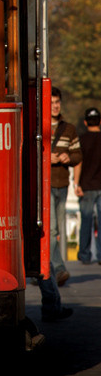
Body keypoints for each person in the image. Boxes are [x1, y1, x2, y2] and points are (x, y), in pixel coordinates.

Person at [50, 87, 82, 286]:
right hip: (45, 186)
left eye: (57, 102)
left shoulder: (69, 129)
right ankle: (59, 268)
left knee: (58, 229)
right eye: (51, 102)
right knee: (52, 230)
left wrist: (68, 157)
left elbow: (78, 155)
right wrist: (48, 158)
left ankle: (49, 269)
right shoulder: (40, 127)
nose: (55, 106)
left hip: (62, 185)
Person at [74, 107, 101, 265]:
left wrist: (76, 183)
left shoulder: (82, 140)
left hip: (86, 185)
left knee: (86, 220)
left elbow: (78, 162)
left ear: (85, 122)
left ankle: (84, 254)